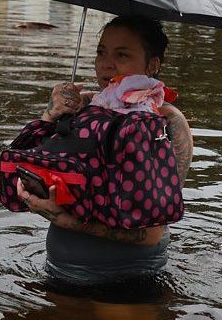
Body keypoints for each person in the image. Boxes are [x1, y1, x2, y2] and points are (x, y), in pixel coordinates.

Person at [15, 15, 193, 285]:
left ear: (152, 65)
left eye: (121, 55)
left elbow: (152, 232)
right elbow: (25, 163)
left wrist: (68, 221)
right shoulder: (82, 108)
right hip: (60, 269)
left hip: (128, 278)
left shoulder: (166, 122)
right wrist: (51, 115)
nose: (106, 64)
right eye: (101, 52)